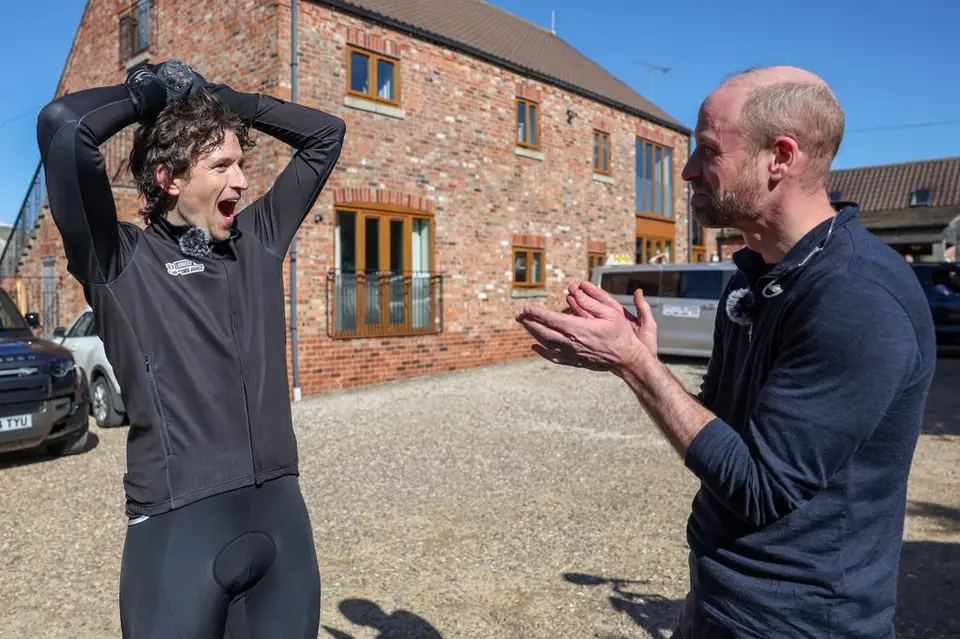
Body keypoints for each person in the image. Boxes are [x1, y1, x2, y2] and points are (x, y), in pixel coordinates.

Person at [516, 65, 936, 638]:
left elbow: (763, 487)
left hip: (801, 622)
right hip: (717, 597)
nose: (687, 168)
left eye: (708, 149)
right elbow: (724, 433)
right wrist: (643, 359)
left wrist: (636, 368)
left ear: (780, 158)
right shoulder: (754, 277)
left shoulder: (857, 298)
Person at [37, 59, 346, 637]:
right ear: (168, 179)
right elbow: (63, 125)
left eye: (241, 164)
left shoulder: (258, 239)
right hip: (180, 529)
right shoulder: (118, 261)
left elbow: (325, 135)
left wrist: (222, 98)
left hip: (281, 519)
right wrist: (148, 94)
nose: (243, 182)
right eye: (221, 165)